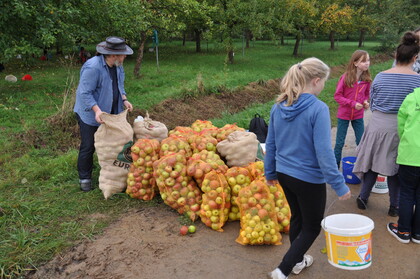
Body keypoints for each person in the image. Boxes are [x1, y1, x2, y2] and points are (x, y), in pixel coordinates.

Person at [264, 58, 351, 279]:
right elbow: (324, 152)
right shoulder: (318, 109)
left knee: (298, 219)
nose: (324, 87)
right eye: (324, 82)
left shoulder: (279, 105)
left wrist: (270, 172)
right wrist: (339, 185)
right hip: (308, 179)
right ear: (315, 80)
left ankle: (298, 261)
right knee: (312, 227)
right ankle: (282, 270)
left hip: (285, 174)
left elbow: (270, 143)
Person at [353, 31, 420, 217]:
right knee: (395, 169)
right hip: (402, 128)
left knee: (372, 164)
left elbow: (373, 102)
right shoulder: (418, 80)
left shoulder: (381, 76)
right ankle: (394, 206)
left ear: (396, 55)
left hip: (377, 124)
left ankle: (363, 197)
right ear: (415, 58)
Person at [73, 36, 134, 192]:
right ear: (113, 55)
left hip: (110, 111)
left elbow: (119, 84)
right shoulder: (93, 67)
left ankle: (111, 174)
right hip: (90, 113)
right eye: (123, 54)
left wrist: (124, 99)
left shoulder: (118, 65)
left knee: (111, 143)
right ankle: (85, 178)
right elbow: (84, 93)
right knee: (88, 145)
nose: (125, 56)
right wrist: (97, 110)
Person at [386, 86, 420, 244]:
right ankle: (418, 233)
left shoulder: (411, 98)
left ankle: (404, 230)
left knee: (407, 193)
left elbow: (401, 126)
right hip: (411, 156)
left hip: (410, 156)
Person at [333, 50, 372, 168]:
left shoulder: (367, 79)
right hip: (344, 114)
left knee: (361, 141)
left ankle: (360, 166)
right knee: (339, 143)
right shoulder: (345, 78)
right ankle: (335, 166)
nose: (367, 63)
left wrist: (365, 101)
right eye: (364, 61)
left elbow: (366, 94)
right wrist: (352, 104)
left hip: (358, 115)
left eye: (368, 60)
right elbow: (337, 96)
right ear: (355, 63)